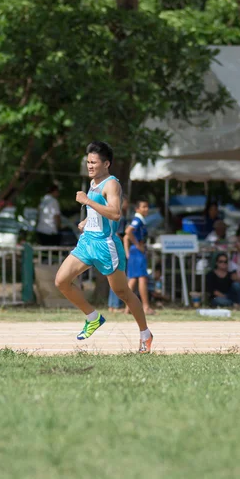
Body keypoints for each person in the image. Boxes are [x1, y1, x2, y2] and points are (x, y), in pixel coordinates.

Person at [55, 141, 153, 353]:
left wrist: (88, 202)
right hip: (88, 242)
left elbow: (115, 213)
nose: (90, 166)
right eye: (88, 162)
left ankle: (145, 333)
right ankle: (93, 317)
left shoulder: (111, 184)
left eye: (94, 162)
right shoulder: (93, 182)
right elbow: (101, 215)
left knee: (123, 292)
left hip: (106, 246)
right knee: (61, 281)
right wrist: (87, 222)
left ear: (106, 163)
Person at [124, 198, 155, 315]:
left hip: (133, 251)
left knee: (132, 280)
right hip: (137, 252)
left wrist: (128, 251)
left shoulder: (138, 219)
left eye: (147, 207)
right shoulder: (138, 220)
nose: (146, 209)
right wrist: (137, 244)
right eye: (144, 207)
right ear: (137, 209)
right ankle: (146, 306)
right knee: (142, 278)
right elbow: (128, 232)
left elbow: (127, 237)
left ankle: (128, 308)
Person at [108, 195, 128, 312]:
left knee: (112, 276)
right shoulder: (120, 216)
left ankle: (112, 305)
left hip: (109, 246)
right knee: (118, 277)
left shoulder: (109, 215)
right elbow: (118, 234)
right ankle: (115, 305)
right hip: (116, 247)